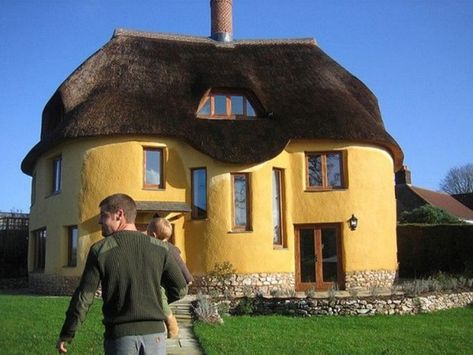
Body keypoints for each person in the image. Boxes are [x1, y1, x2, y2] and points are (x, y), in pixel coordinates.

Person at [56, 193, 188, 354]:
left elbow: (84, 297)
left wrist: (67, 333)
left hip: (120, 339)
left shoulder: (101, 250)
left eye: (103, 215)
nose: (99, 221)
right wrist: (157, 299)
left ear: (119, 215)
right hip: (156, 338)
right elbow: (181, 289)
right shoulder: (160, 248)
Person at [146, 217, 194, 338]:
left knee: (158, 293)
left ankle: (171, 322)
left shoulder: (164, 249)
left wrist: (187, 280)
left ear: (153, 235)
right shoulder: (171, 247)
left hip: (179, 285)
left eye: (147, 234)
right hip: (178, 284)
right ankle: (159, 318)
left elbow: (181, 266)